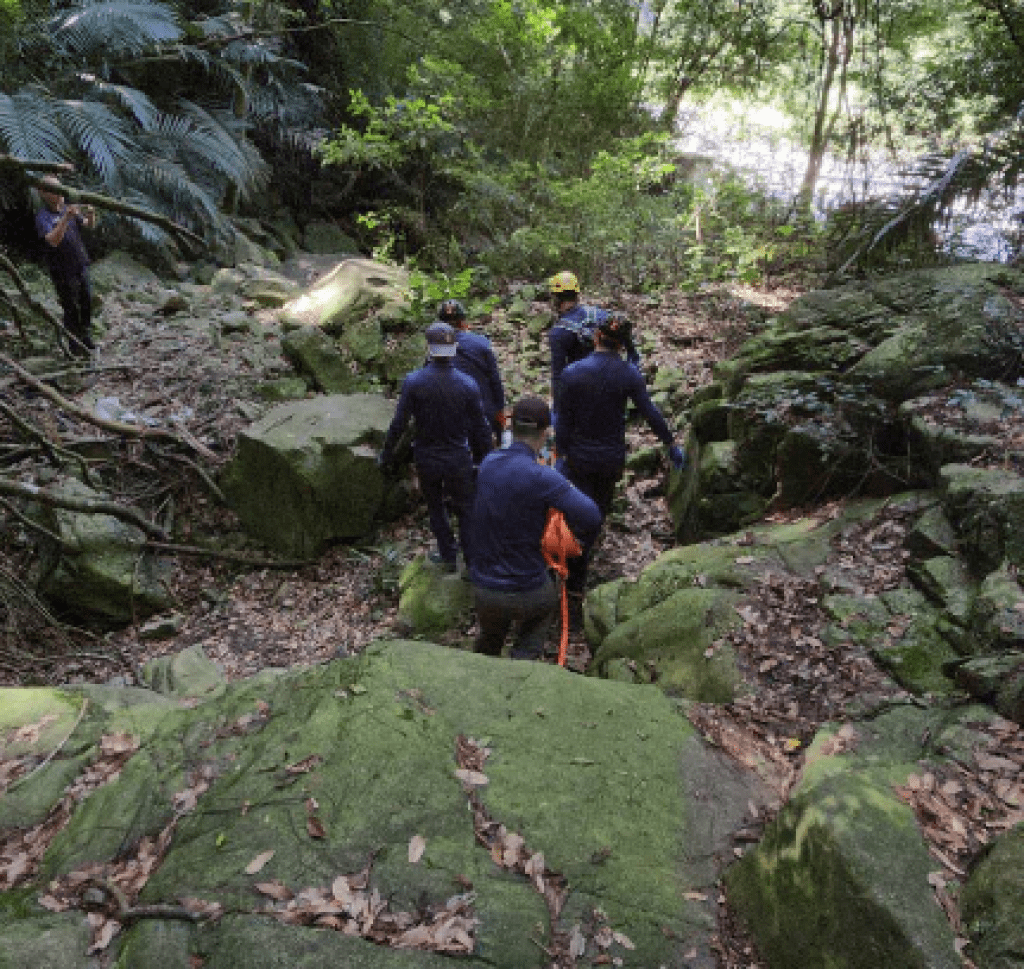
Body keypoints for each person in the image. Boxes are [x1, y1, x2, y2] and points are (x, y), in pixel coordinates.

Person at [555, 312, 685, 596]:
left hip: (578, 457)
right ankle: (576, 578)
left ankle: (568, 571)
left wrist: (560, 455)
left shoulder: (572, 372)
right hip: (610, 459)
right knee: (595, 515)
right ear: (624, 344)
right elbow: (650, 413)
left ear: (597, 337)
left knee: (576, 512)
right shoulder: (628, 373)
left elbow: (562, 421)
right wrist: (670, 443)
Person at [469, 396, 601, 659]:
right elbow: (591, 516)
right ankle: (524, 662)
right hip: (529, 591)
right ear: (546, 433)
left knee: (490, 637)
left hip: (485, 589)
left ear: (510, 428)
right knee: (538, 619)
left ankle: (485, 657)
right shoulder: (544, 477)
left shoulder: (487, 465)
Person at [378, 321, 493, 573]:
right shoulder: (467, 384)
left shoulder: (414, 382)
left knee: (436, 507)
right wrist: (487, 458)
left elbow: (399, 423)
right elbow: (480, 427)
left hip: (427, 455)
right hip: (458, 456)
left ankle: (449, 556)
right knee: (465, 509)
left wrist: (387, 455)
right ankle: (472, 564)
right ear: (454, 348)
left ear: (429, 348)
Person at [546, 270, 640, 418]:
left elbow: (558, 376)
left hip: (581, 390)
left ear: (556, 298)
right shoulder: (602, 315)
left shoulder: (559, 332)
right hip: (612, 387)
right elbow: (632, 350)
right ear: (577, 295)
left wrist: (557, 412)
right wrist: (631, 375)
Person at [35, 176, 96, 359]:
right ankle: (73, 345)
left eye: (60, 188)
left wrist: (91, 214)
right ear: (44, 193)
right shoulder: (43, 216)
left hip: (81, 263)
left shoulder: (69, 209)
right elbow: (53, 240)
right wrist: (65, 218)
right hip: (61, 270)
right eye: (54, 189)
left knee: (86, 302)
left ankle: (86, 337)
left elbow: (87, 226)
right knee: (70, 307)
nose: (59, 192)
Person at [438, 299, 507, 442]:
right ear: (463, 321)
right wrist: (500, 411)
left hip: (451, 418)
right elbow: (495, 381)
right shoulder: (481, 342)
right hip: (483, 412)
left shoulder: (435, 349)